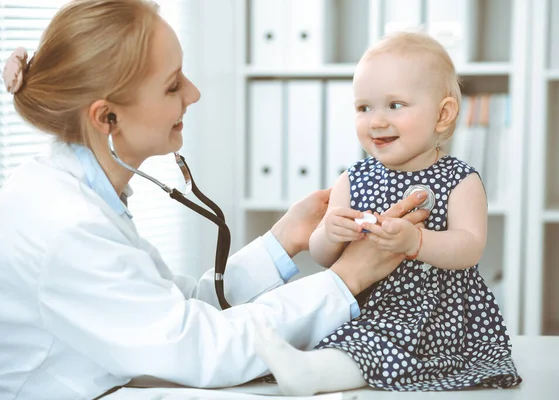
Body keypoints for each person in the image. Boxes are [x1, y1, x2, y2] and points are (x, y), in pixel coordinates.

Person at [0, 1, 431, 399]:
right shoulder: (66, 224)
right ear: (106, 117)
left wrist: (282, 241)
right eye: (172, 86)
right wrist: (347, 278)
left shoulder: (84, 194)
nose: (194, 93)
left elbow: (177, 308)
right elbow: (198, 348)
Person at [254, 31, 522, 395]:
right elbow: (323, 257)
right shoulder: (352, 179)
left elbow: (469, 248)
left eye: (395, 105)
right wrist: (329, 234)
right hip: (361, 303)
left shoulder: (460, 180)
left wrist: (417, 241)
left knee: (375, 345)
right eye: (364, 107)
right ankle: (307, 364)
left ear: (443, 114)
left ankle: (313, 375)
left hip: (432, 313)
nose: (376, 121)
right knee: (344, 335)